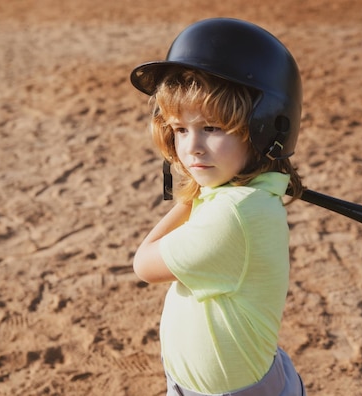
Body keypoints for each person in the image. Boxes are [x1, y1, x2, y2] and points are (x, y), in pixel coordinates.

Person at [130, 18, 307, 396]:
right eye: (179, 129)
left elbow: (143, 264)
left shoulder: (233, 214)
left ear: (262, 129)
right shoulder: (247, 194)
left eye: (211, 128)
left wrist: (188, 194)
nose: (191, 147)